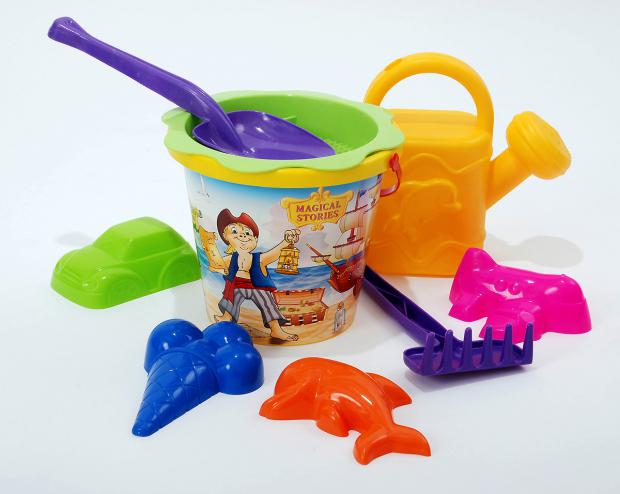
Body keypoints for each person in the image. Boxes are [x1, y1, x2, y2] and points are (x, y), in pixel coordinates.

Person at [211, 209, 300, 342]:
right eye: (234, 232)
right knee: (231, 299)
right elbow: (216, 264)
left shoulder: (258, 258)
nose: (242, 236)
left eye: (247, 233)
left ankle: (276, 329)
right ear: (225, 237)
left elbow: (275, 253)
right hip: (237, 285)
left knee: (267, 302)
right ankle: (226, 318)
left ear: (255, 239)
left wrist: (286, 241)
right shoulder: (231, 258)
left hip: (256, 286)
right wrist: (211, 245)